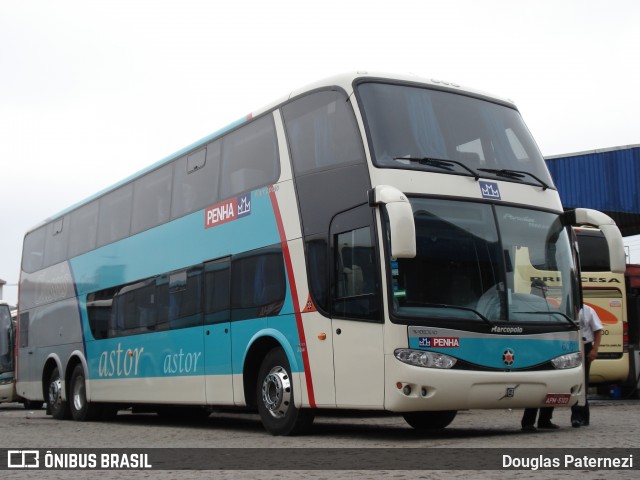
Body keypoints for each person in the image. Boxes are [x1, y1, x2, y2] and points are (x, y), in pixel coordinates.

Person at [520, 280, 560, 431]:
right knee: (536, 388)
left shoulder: (546, 305)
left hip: (546, 348)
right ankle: (529, 422)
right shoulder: (528, 304)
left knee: (551, 387)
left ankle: (544, 419)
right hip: (534, 350)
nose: (545, 292)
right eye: (543, 289)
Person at [571, 303, 603, 427]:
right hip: (570, 346)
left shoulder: (588, 310)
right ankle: (577, 416)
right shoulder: (564, 307)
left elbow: (598, 330)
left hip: (585, 346)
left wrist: (595, 349)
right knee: (572, 382)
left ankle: (580, 416)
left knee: (583, 382)